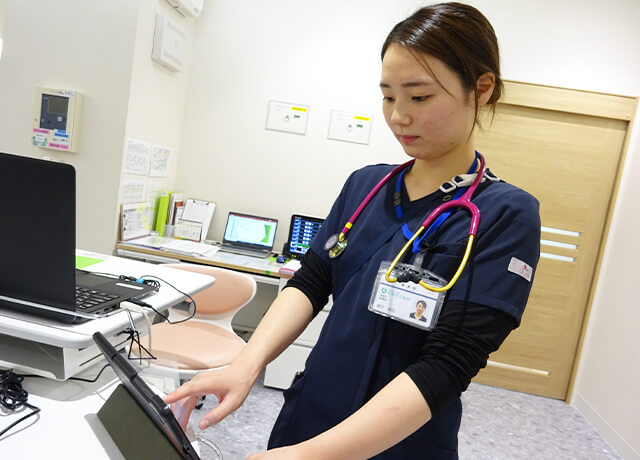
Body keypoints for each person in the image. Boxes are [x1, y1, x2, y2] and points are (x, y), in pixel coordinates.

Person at [164, 3, 541, 458]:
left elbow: (449, 363)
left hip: (398, 440)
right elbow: (312, 281)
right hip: (310, 416)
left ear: (481, 89)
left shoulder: (504, 214)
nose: (398, 116)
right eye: (388, 96)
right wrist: (246, 363)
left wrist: (306, 457)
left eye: (419, 97)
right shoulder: (366, 185)